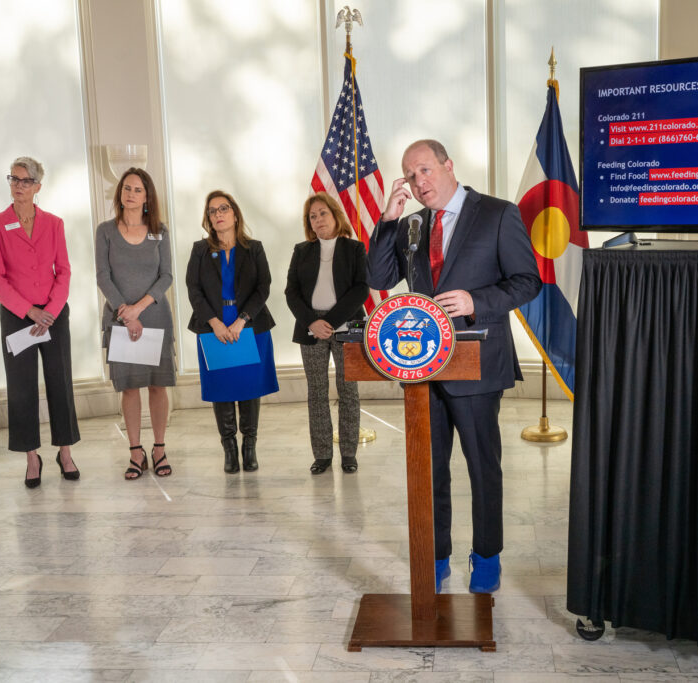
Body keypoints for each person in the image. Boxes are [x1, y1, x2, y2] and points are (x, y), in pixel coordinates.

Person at [367, 139, 541, 594]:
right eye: (409, 176)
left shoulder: (498, 214)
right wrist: (387, 222)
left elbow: (527, 281)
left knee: (483, 466)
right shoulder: (409, 226)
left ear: (448, 166)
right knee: (430, 469)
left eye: (424, 170)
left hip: (478, 364)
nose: (418, 182)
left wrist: (474, 301)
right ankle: (436, 554)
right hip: (423, 365)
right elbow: (379, 278)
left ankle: (486, 556)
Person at [0, 156, 81, 488]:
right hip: (16, 316)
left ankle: (65, 452)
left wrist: (50, 310)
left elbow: (64, 271)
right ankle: (31, 457)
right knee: (22, 388)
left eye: (25, 181)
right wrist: (29, 311)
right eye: (13, 179)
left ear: (38, 186)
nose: (18, 186)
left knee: (60, 382)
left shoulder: (54, 223)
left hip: (54, 313)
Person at [185, 190, 278, 473]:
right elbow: (194, 289)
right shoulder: (200, 250)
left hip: (248, 329)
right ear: (209, 219)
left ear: (235, 214)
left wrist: (242, 320)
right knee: (222, 390)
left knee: (249, 389)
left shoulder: (254, 248)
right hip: (213, 330)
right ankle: (229, 450)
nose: (218, 214)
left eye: (223, 208)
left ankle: (249, 447)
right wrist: (214, 322)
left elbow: (264, 287)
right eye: (212, 211)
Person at [95, 168, 175, 480]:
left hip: (154, 316)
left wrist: (139, 308)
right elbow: (103, 275)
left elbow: (166, 275)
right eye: (126, 188)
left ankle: (158, 448)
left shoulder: (160, 231)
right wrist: (124, 312)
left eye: (138, 189)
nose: (130, 193)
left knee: (157, 385)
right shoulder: (105, 231)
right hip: (120, 319)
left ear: (147, 197)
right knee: (129, 387)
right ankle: (135, 452)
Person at [285, 193, 369, 475]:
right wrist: (312, 322)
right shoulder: (301, 251)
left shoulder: (355, 249)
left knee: (349, 391)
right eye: (313, 216)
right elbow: (291, 292)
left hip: (346, 326)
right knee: (317, 392)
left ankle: (348, 453)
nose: (318, 219)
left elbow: (361, 289)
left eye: (323, 213)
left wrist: (330, 322)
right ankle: (322, 454)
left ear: (335, 215)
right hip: (310, 328)